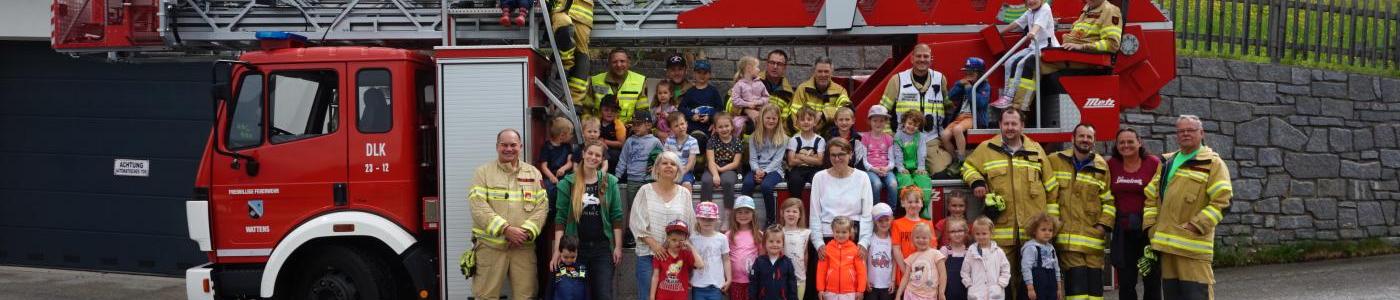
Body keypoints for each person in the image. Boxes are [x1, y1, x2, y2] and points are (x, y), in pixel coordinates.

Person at [959, 109, 1055, 299]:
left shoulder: (1036, 150)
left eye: (1014, 123)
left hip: (1032, 231)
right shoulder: (987, 149)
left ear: (1022, 126)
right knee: (1003, 281)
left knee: (1033, 281)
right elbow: (967, 166)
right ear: (1000, 125)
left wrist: (1050, 223)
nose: (1010, 127)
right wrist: (977, 181)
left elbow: (1051, 186)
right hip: (1002, 232)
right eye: (1006, 124)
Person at [1144, 115, 1232, 300]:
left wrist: (1195, 225)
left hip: (1193, 248)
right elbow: (1151, 195)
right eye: (1181, 131)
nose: (1185, 134)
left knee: (1197, 296)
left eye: (1190, 130)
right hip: (1167, 248)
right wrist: (1151, 227)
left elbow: (1223, 201)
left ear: (1201, 133)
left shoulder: (1213, 163)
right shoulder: (1167, 163)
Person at [469, 129, 549, 300]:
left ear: (520, 146)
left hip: (523, 248)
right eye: (504, 145)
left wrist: (524, 233)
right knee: (485, 296)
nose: (508, 149)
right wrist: (506, 230)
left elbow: (542, 207)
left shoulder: (533, 173)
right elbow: (478, 207)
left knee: (526, 296)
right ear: (497, 147)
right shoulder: (482, 173)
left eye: (513, 145)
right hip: (491, 249)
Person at [1047, 124, 1115, 300]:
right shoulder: (1055, 161)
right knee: (1077, 289)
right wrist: (1055, 224)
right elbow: (1050, 195)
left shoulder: (1101, 165)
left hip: (1093, 238)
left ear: (1094, 141)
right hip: (1068, 237)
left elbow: (1108, 199)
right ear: (1072, 138)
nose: (1085, 140)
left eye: (1089, 137)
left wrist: (1103, 225)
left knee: (1094, 291)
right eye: (1081, 136)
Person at [551, 141, 624, 300]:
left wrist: (617, 247)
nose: (593, 157)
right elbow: (560, 219)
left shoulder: (609, 181)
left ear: (602, 159)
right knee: (574, 294)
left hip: (602, 249)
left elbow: (616, 216)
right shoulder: (567, 183)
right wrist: (557, 250)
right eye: (590, 153)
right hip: (575, 250)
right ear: (583, 154)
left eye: (598, 155)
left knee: (603, 294)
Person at [630, 151, 699, 300]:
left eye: (673, 164)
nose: (669, 166)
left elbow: (690, 224)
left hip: (676, 259)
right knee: (648, 296)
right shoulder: (645, 191)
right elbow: (636, 222)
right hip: (649, 255)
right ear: (657, 168)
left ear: (678, 170)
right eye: (665, 163)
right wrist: (654, 245)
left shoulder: (684, 194)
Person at [879, 44, 953, 175]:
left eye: (926, 56)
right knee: (902, 172)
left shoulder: (940, 79)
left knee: (940, 171)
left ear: (931, 59)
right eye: (918, 56)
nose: (922, 59)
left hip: (930, 139)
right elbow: (882, 111)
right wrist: (889, 135)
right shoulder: (897, 80)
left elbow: (948, 108)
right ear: (912, 59)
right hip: (903, 140)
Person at [1108, 128, 1162, 300]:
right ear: (1116, 146)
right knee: (1126, 281)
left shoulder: (1153, 163)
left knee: (1151, 279)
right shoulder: (1111, 165)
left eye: (1130, 141)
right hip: (1123, 232)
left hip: (1147, 231)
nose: (1126, 145)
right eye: (1121, 142)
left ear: (1139, 142)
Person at [808, 139, 875, 255]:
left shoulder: (862, 177)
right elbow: (815, 215)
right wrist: (818, 244)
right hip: (827, 237)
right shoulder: (819, 177)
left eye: (841, 155)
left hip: (853, 236)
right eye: (833, 155)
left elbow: (867, 214)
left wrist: (864, 242)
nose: (837, 159)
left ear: (850, 154)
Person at [993, 0, 1059, 112]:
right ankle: (1006, 95)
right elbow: (1017, 23)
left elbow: (1038, 25)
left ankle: (1009, 97)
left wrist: (1032, 32)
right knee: (1009, 62)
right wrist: (999, 33)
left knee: (1021, 63)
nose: (1031, 1)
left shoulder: (1045, 9)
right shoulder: (1030, 11)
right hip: (1034, 46)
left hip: (1046, 47)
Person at [617, 110, 662, 248]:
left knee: (650, 207)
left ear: (648, 125)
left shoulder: (655, 141)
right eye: (634, 125)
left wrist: (656, 166)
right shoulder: (630, 141)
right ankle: (630, 233)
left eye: (638, 124)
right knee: (632, 207)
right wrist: (616, 178)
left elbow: (663, 158)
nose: (635, 127)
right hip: (633, 179)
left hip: (649, 181)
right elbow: (622, 160)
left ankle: (651, 233)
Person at [744, 105, 789, 226]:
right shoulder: (754, 136)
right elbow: (752, 159)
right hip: (756, 168)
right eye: (768, 118)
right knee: (747, 184)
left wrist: (764, 172)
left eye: (774, 118)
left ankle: (770, 220)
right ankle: (746, 219)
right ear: (762, 119)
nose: (771, 121)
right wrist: (757, 170)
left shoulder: (783, 138)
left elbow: (777, 161)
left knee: (766, 186)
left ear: (778, 120)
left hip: (775, 170)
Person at [1046, 0, 1123, 70]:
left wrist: (1082, 47)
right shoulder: (1087, 9)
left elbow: (1112, 44)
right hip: (1071, 56)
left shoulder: (1110, 11)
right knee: (1038, 57)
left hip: (1086, 62)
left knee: (1037, 64)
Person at [943, 57, 991, 163]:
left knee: (957, 130)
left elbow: (980, 103)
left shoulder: (984, 86)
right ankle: (955, 160)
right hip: (960, 117)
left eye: (971, 72)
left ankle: (961, 157)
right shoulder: (964, 84)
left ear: (980, 73)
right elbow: (951, 96)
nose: (968, 75)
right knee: (944, 135)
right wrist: (959, 84)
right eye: (966, 72)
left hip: (972, 117)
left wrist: (969, 88)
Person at [702, 112, 744, 225]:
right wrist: (715, 174)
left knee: (728, 182)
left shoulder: (737, 142)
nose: (724, 129)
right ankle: (706, 214)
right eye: (720, 127)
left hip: (730, 169)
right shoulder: (712, 141)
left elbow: (736, 163)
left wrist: (721, 170)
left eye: (726, 126)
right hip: (713, 167)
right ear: (715, 128)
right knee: (706, 181)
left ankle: (727, 216)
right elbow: (710, 160)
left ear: (732, 127)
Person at [891, 110, 934, 217]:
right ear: (904, 122)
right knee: (906, 182)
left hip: (917, 167)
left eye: (915, 125)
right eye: (910, 123)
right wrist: (900, 167)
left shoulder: (921, 137)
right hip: (903, 168)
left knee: (924, 181)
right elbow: (897, 153)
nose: (912, 127)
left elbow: (921, 152)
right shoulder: (898, 136)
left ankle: (923, 211)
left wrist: (921, 167)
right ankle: (906, 213)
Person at [589, 48, 649, 122]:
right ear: (609, 63)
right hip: (599, 131)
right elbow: (586, 109)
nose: (619, 65)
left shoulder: (640, 81)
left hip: (628, 131)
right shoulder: (595, 81)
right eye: (614, 62)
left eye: (622, 61)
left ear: (628, 62)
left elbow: (642, 113)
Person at [789, 57, 851, 128]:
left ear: (831, 72)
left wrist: (824, 114)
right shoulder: (802, 89)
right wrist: (805, 135)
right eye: (820, 71)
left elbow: (846, 110)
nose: (823, 75)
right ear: (814, 72)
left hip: (830, 136)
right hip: (806, 134)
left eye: (826, 71)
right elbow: (794, 116)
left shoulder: (840, 91)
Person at [891, 186, 934, 288]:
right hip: (904, 271)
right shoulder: (897, 224)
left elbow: (932, 248)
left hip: (924, 271)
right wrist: (907, 272)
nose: (913, 205)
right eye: (910, 202)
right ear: (903, 203)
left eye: (916, 201)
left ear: (922, 203)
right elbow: (896, 250)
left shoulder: (928, 223)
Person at [651, 219, 705, 300]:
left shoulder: (686, 255)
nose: (677, 243)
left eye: (681, 240)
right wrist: (652, 297)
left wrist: (691, 247)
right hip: (662, 297)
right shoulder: (661, 255)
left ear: (685, 239)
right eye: (674, 240)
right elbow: (655, 277)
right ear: (668, 238)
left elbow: (700, 265)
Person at [817, 216, 868, 299]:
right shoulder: (827, 249)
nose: (840, 235)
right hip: (830, 292)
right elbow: (821, 271)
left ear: (849, 232)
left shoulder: (855, 249)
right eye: (837, 232)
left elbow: (861, 272)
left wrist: (861, 290)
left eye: (844, 232)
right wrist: (820, 289)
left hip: (850, 293)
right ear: (832, 232)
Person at [961, 217, 1011, 300]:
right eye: (977, 234)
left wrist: (1000, 285)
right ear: (973, 234)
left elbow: (1006, 270)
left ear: (991, 233)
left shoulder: (998, 252)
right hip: (976, 293)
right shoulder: (971, 251)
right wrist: (969, 284)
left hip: (995, 293)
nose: (981, 237)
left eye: (984, 233)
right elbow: (965, 271)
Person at [690, 201, 731, 300]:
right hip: (697, 285)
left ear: (716, 219)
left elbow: (726, 260)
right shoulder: (692, 238)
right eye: (703, 218)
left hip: (716, 286)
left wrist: (729, 278)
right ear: (698, 219)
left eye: (710, 219)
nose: (707, 221)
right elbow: (689, 261)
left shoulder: (722, 238)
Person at [896, 223, 945, 300]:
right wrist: (898, 294)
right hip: (911, 294)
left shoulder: (936, 254)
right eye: (917, 237)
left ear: (930, 238)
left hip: (929, 296)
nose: (921, 240)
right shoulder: (911, 258)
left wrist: (941, 292)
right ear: (912, 239)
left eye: (924, 237)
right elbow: (905, 277)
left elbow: (943, 275)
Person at [787, 106, 827, 203]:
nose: (806, 122)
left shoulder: (820, 140)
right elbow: (791, 162)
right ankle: (796, 206)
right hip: (798, 169)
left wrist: (800, 156)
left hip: (814, 169)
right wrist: (812, 158)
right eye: (802, 119)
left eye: (809, 119)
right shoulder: (794, 139)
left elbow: (820, 161)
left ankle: (819, 207)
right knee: (794, 180)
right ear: (797, 123)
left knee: (819, 179)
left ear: (814, 122)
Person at [862, 106, 900, 207]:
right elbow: (864, 160)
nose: (878, 124)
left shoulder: (889, 138)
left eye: (881, 121)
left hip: (886, 169)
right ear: (870, 121)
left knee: (893, 184)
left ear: (886, 122)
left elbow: (892, 161)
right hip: (871, 170)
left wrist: (886, 168)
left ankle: (892, 212)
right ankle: (876, 211)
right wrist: (874, 169)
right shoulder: (865, 137)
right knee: (877, 184)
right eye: (875, 121)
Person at [1020, 213, 1063, 300]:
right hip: (1036, 288)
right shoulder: (1031, 248)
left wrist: (1059, 289)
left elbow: (1057, 269)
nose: (1047, 233)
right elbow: (1026, 268)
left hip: (1051, 288)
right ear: (1034, 230)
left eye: (1050, 230)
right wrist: (1030, 289)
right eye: (1043, 230)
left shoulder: (1051, 248)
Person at [751, 225, 800, 300]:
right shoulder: (759, 262)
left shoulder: (787, 262)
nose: (774, 244)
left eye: (778, 242)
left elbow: (792, 284)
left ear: (783, 244)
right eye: (771, 241)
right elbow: (753, 283)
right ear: (764, 243)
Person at [681, 59, 725, 141]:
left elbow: (720, 108)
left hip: (708, 125)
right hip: (693, 125)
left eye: (705, 73)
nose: (702, 75)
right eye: (699, 72)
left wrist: (710, 116)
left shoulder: (713, 91)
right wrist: (691, 115)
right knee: (693, 137)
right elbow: (681, 108)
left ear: (709, 74)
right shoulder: (690, 92)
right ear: (694, 74)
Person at [779, 198, 814, 299]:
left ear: (800, 215)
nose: (791, 214)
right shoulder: (778, 231)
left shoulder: (805, 233)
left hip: (799, 278)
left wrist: (805, 270)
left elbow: (805, 253)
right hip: (781, 277)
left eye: (795, 211)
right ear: (782, 213)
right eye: (788, 211)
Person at [729, 196, 763, 300]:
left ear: (753, 214)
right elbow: (725, 258)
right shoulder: (728, 235)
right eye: (739, 212)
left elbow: (762, 258)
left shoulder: (759, 235)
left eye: (747, 212)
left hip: (753, 281)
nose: (743, 215)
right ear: (734, 215)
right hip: (735, 281)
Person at [731, 56, 771, 135]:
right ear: (749, 68)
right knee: (736, 125)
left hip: (760, 113)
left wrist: (758, 102)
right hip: (743, 115)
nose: (759, 70)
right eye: (757, 67)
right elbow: (735, 100)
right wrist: (747, 104)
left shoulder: (760, 83)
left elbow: (766, 97)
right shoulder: (739, 85)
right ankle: (736, 143)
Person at [540, 116, 576, 203]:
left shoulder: (567, 146)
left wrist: (563, 168)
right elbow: (543, 166)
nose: (572, 136)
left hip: (565, 175)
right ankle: (551, 210)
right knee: (548, 188)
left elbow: (570, 162)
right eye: (570, 134)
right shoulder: (547, 147)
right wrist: (551, 177)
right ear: (562, 135)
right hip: (551, 177)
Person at [865, 203, 897, 300]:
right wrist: (865, 279)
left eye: (887, 220)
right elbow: (864, 260)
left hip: (887, 285)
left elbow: (894, 261)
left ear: (891, 220)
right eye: (880, 221)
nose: (884, 223)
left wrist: (893, 280)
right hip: (871, 284)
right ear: (875, 221)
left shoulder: (893, 239)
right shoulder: (869, 238)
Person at [664, 112, 700, 186]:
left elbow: (690, 163)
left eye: (682, 124)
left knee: (687, 184)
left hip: (686, 172)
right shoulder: (669, 141)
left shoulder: (693, 141)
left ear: (686, 124)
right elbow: (665, 158)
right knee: (665, 184)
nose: (680, 127)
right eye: (676, 126)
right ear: (671, 129)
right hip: (671, 171)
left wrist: (679, 174)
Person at [826, 107, 867, 171]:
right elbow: (827, 158)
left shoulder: (857, 139)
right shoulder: (829, 137)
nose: (844, 122)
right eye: (841, 120)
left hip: (851, 172)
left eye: (847, 119)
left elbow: (859, 160)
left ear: (853, 121)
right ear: (836, 122)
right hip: (833, 170)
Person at [940, 218, 971, 300]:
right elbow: (938, 273)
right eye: (953, 231)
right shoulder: (945, 250)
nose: (957, 234)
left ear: (966, 232)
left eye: (960, 231)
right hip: (948, 292)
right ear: (948, 234)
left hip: (965, 293)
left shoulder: (969, 252)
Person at [551, 236, 589, 300]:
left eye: (572, 257)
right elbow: (550, 290)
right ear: (560, 253)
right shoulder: (557, 268)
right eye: (565, 257)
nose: (569, 260)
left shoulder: (582, 269)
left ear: (577, 253)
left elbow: (587, 289)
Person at [761, 49, 796, 119]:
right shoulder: (752, 82)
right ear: (767, 64)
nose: (775, 67)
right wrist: (747, 111)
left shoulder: (788, 94)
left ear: (785, 67)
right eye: (772, 62)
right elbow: (733, 104)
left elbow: (785, 121)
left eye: (779, 64)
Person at [599, 95, 627, 172]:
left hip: (614, 153)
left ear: (617, 112)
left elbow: (621, 143)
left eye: (613, 110)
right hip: (599, 148)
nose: (609, 113)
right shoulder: (597, 122)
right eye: (606, 110)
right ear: (600, 110)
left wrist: (604, 142)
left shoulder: (619, 125)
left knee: (609, 154)